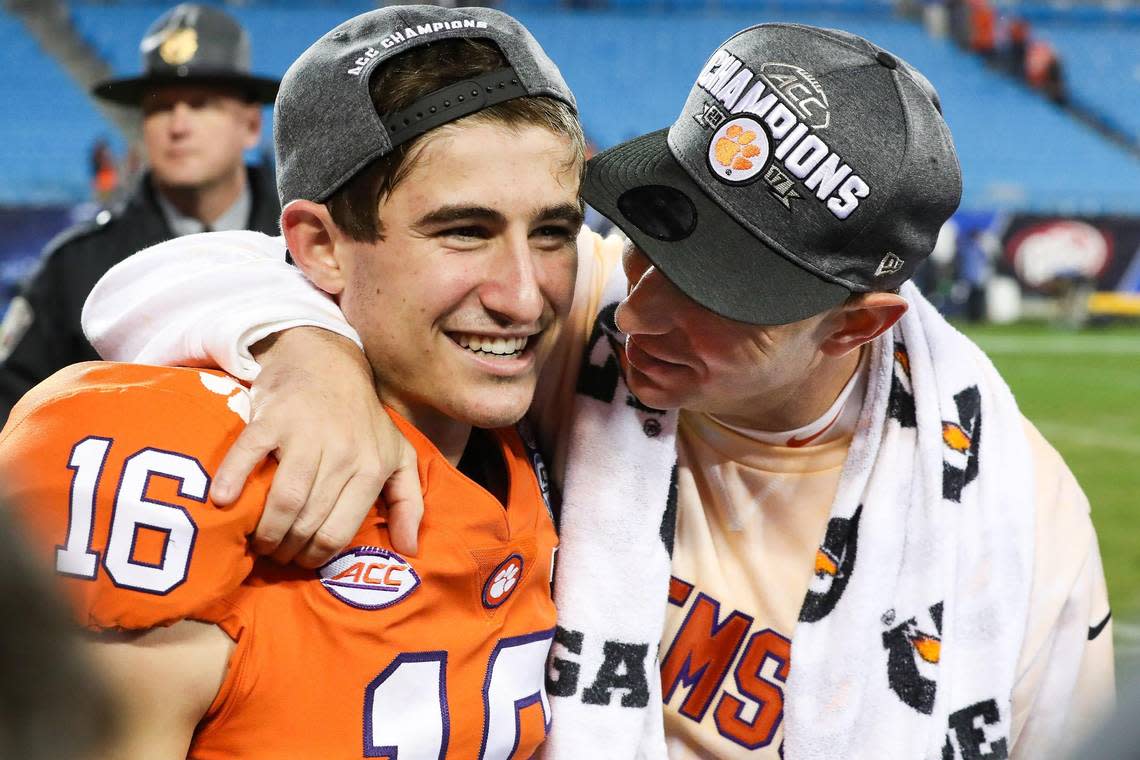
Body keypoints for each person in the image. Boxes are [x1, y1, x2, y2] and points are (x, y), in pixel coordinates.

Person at [82, 22, 1113, 759]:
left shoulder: (1013, 521)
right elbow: (190, 272)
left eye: (725, 295)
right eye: (660, 242)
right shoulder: (571, 317)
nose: (649, 311)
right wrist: (310, 349)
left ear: (856, 324)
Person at [0, 6, 586, 757]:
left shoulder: (565, 409)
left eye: (552, 233)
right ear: (318, 246)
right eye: (463, 232)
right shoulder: (186, 473)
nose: (525, 296)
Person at [0, 3, 281, 424]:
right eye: (160, 106)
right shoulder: (74, 267)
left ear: (251, 127)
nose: (178, 125)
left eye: (201, 104)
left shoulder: (313, 246)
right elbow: (10, 410)